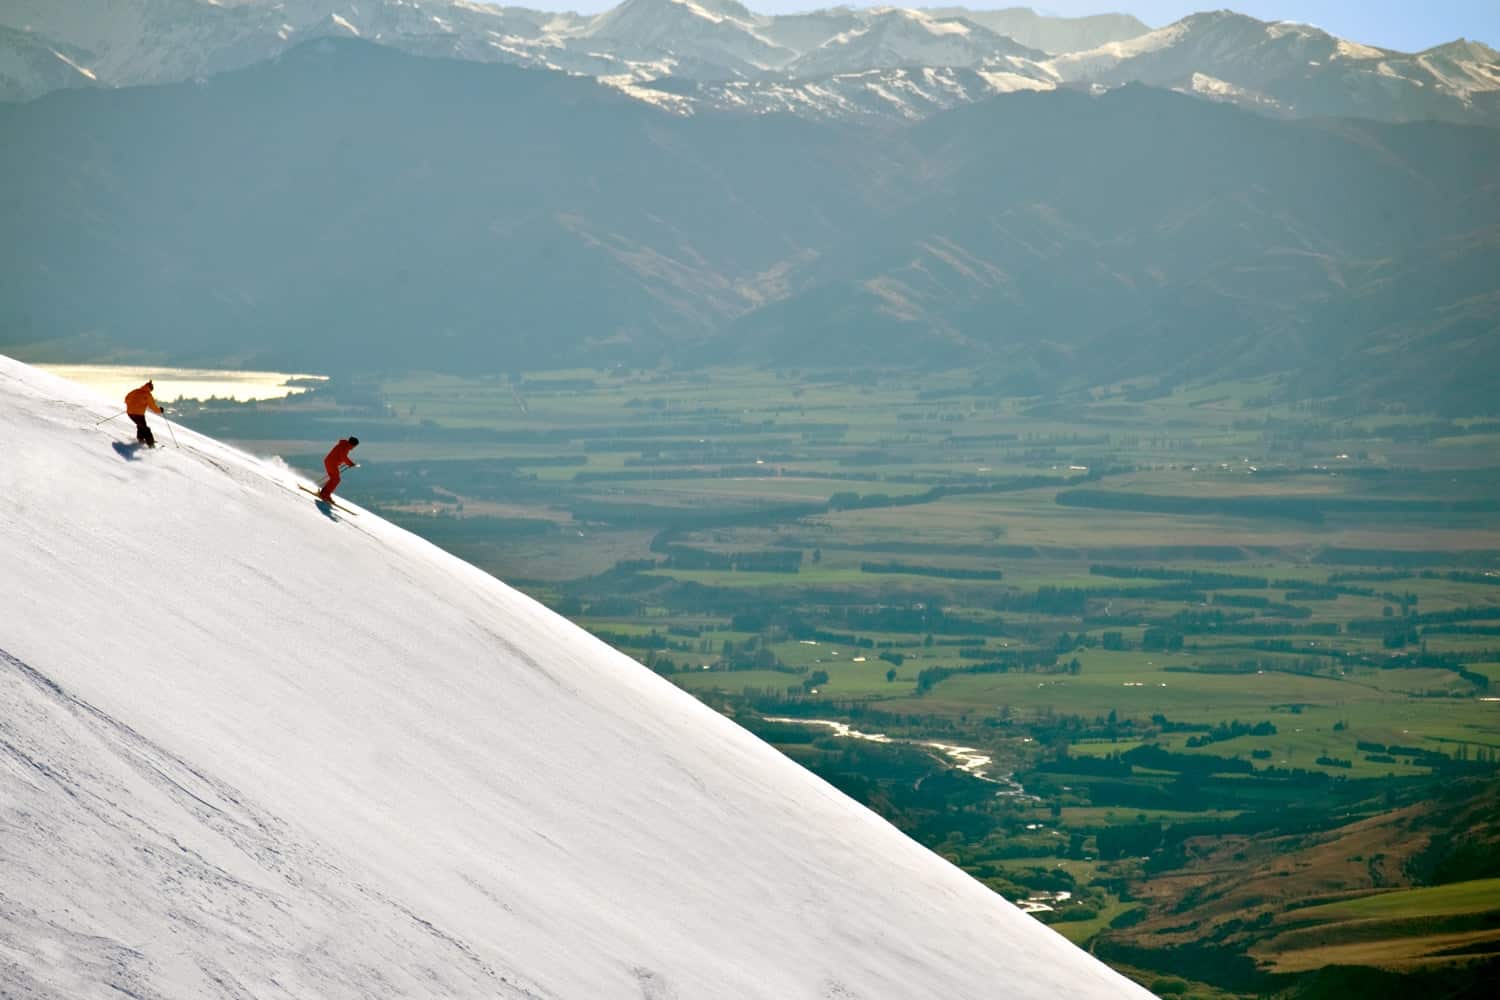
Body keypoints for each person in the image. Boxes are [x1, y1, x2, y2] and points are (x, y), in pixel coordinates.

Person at [318, 436, 360, 502]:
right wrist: (350, 463)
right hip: (332, 463)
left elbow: (342, 456)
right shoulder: (345, 447)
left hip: (330, 462)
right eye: (354, 446)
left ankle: (324, 493)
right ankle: (324, 494)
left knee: (334, 479)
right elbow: (343, 457)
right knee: (336, 479)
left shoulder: (344, 445)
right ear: (352, 444)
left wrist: (350, 463)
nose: (354, 448)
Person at [124, 380, 162, 447]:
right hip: (139, 414)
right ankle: (151, 444)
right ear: (150, 388)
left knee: (141, 425)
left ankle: (140, 438)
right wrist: (160, 410)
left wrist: (131, 405)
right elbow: (153, 406)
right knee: (145, 428)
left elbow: (126, 398)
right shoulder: (147, 395)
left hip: (130, 413)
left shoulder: (136, 391)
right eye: (152, 389)